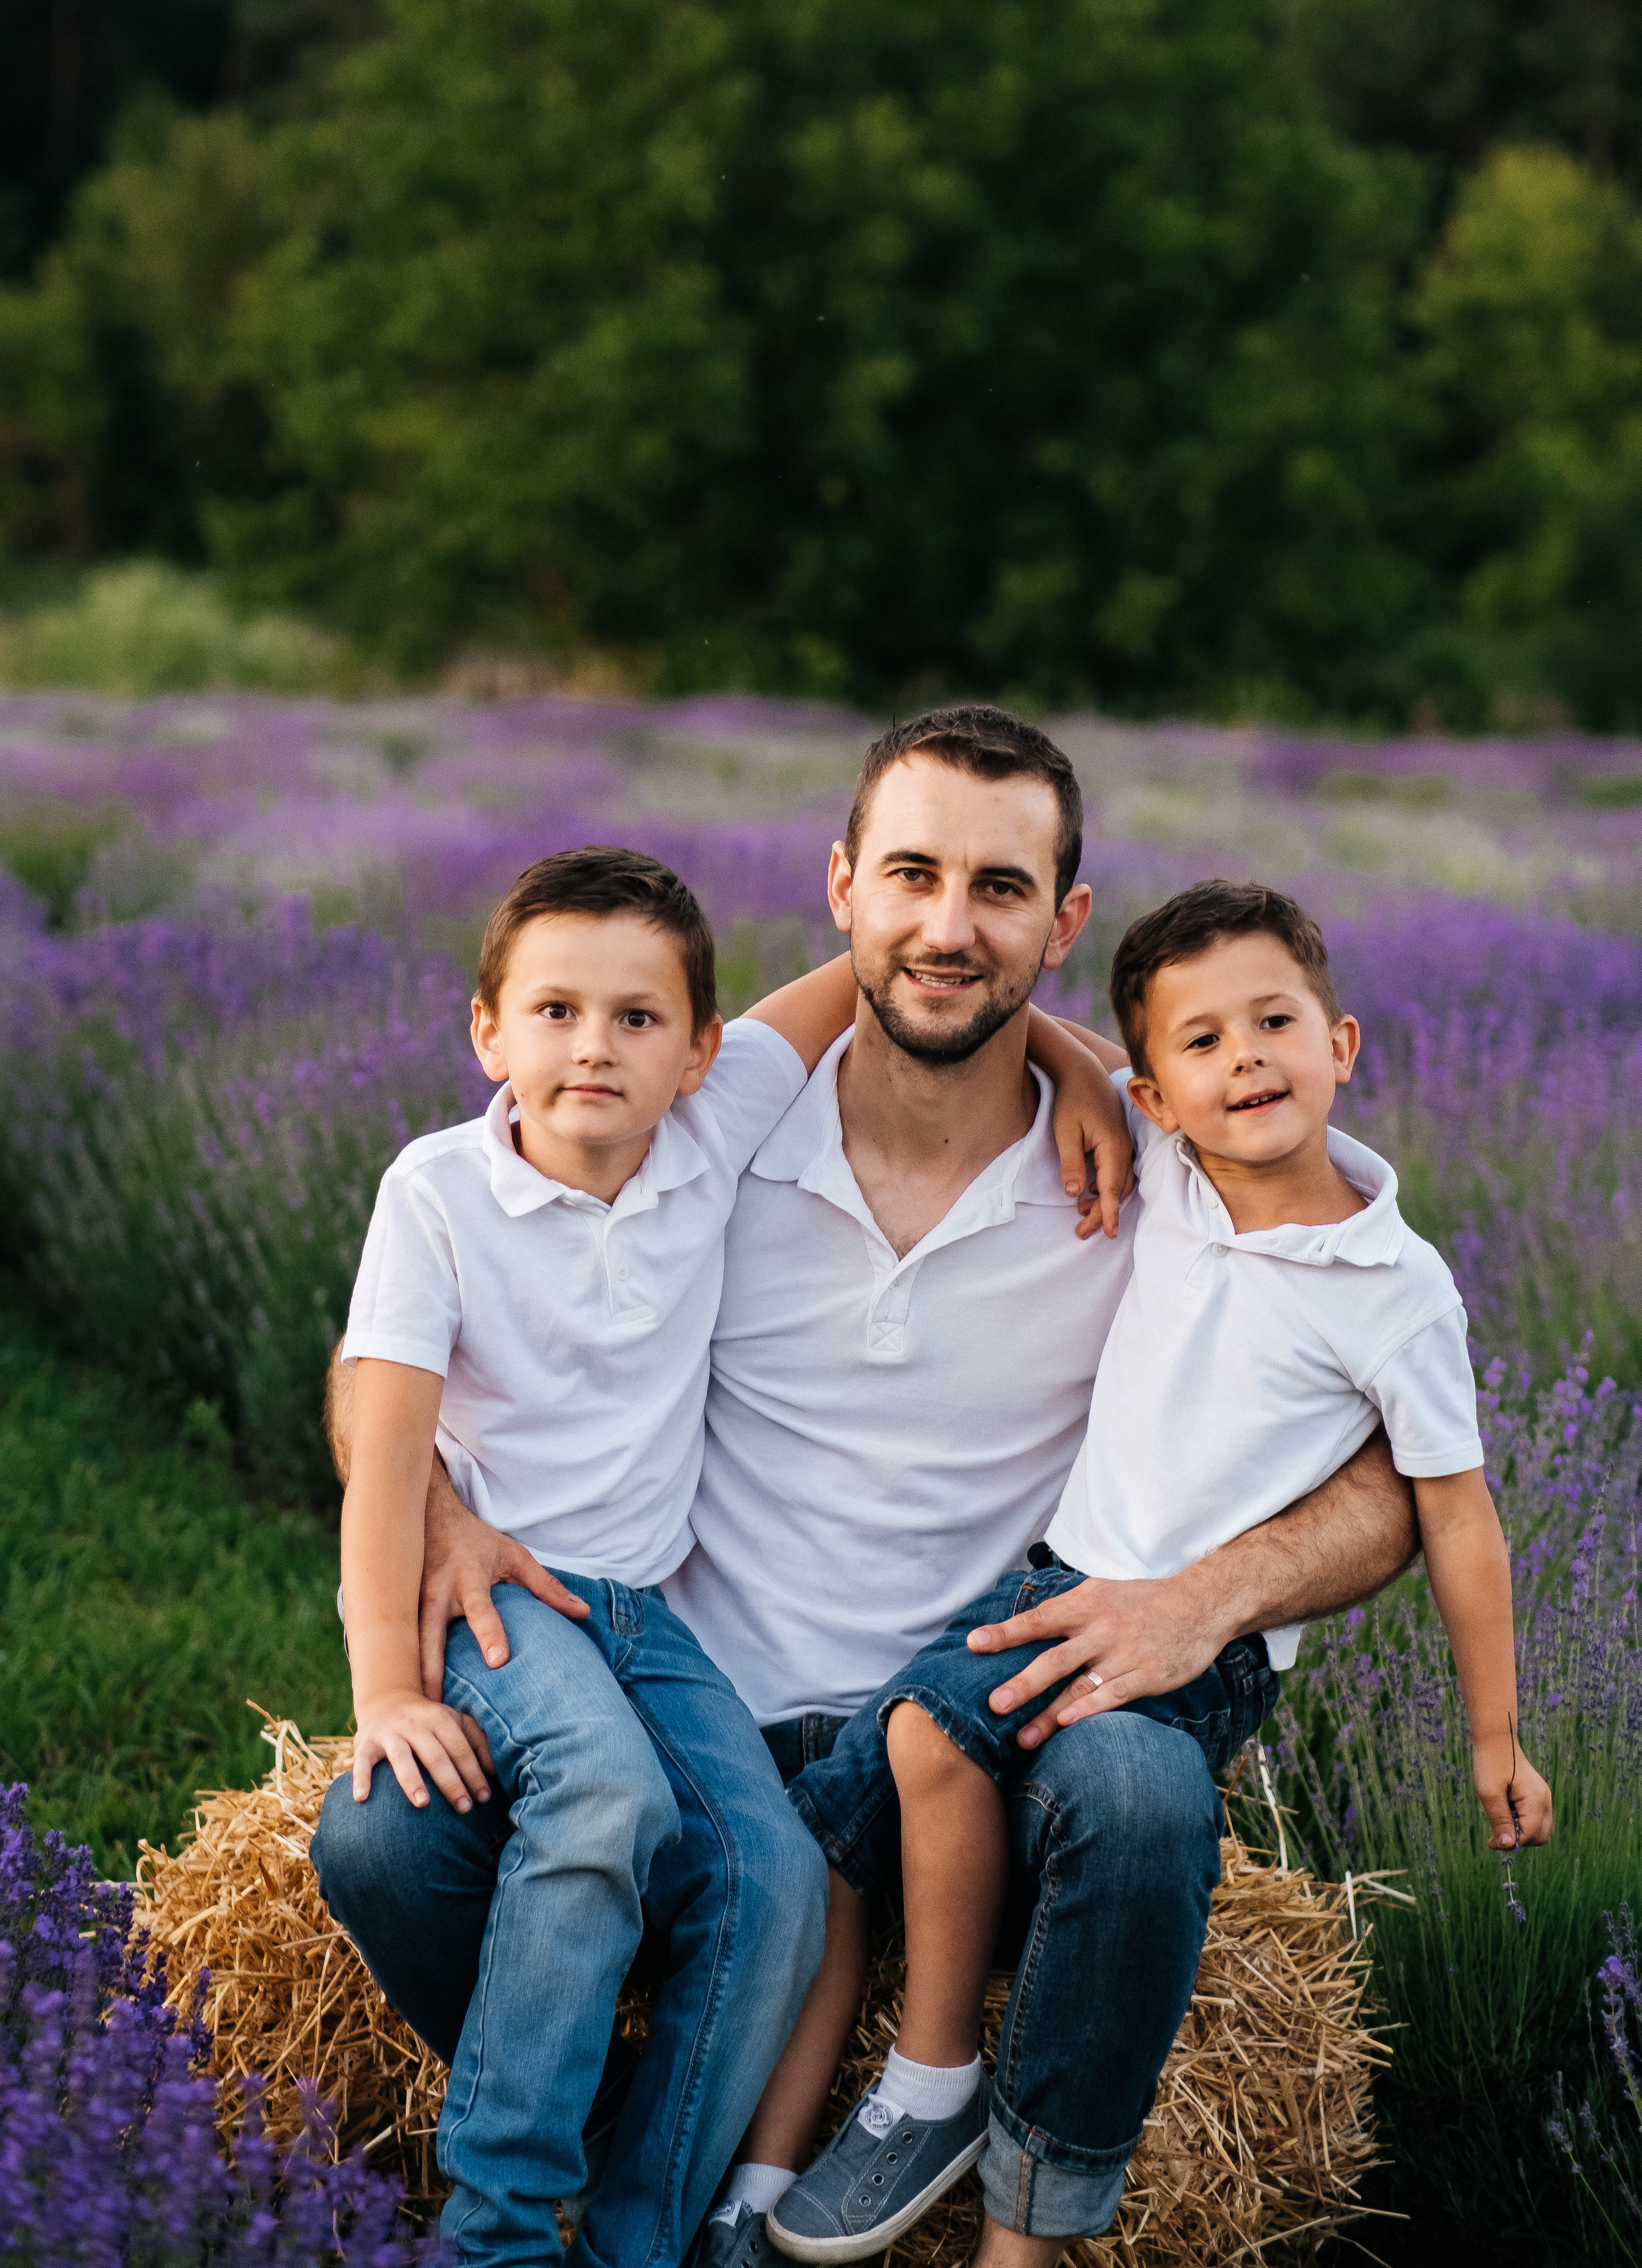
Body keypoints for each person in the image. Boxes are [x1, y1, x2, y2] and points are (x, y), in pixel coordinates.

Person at [322, 707, 1423, 2268]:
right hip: (705, 1709)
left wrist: (1204, 1601)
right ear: (841, 885)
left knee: (1139, 1786)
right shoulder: (702, 1119)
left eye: (998, 888)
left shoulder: (1171, 1158)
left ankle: (1019, 2228)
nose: (947, 926)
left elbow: (1402, 1476)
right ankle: (635, 2134)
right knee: (379, 1841)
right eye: (910, 874)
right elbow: (391, 1362)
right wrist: (439, 1514)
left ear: (1065, 922)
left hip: (986, 1732)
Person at [314, 836, 1131, 2268]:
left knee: (765, 1876)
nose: (594, 1048)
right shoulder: (435, 1195)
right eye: (555, 1013)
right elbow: (386, 1464)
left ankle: (641, 2238)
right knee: (605, 1803)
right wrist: (388, 1688)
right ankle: (499, 2227)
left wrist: (1063, 1059)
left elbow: (894, 984)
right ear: (484, 1031)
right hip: (511, 1611)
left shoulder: (715, 1118)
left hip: (647, 1617)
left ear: (701, 1050)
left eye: (638, 1021)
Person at [761, 878, 1553, 2264]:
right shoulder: (1170, 1170)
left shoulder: (1394, 1284)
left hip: (1205, 1659)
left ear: (1341, 1043)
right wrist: (1074, 1060)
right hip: (1056, 1578)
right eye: (1201, 1042)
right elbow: (1028, 1026)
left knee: (951, 1743)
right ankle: (781, 2162)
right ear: (1157, 1092)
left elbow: (1458, 1512)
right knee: (859, 1798)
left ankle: (937, 2088)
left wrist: (1494, 1733)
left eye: (1273, 1022)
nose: (1242, 1056)